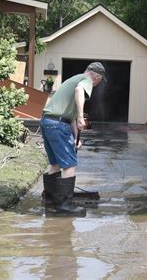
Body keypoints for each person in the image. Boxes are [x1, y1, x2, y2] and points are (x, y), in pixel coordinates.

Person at [41, 62, 106, 216]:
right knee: (69, 165)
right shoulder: (86, 81)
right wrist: (82, 117)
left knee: (55, 164)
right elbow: (79, 92)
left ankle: (50, 200)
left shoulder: (73, 79)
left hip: (47, 121)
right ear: (96, 77)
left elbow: (71, 118)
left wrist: (77, 139)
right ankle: (64, 206)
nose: (97, 84)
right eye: (100, 80)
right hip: (58, 125)